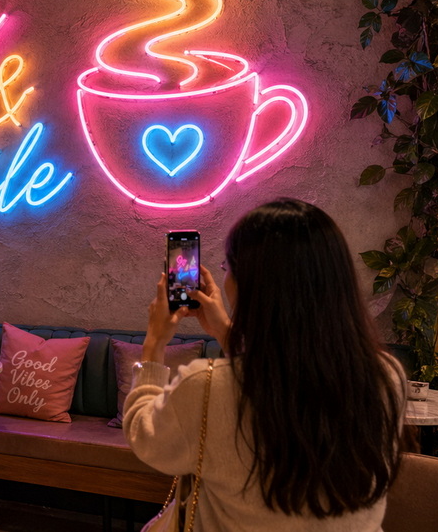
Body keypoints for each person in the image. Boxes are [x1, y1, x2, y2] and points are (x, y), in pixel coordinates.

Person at [124, 199, 406, 530]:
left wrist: (154, 344)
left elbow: (146, 436)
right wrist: (224, 331)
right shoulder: (387, 377)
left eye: (228, 268)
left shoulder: (206, 387)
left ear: (251, 285)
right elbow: (286, 378)